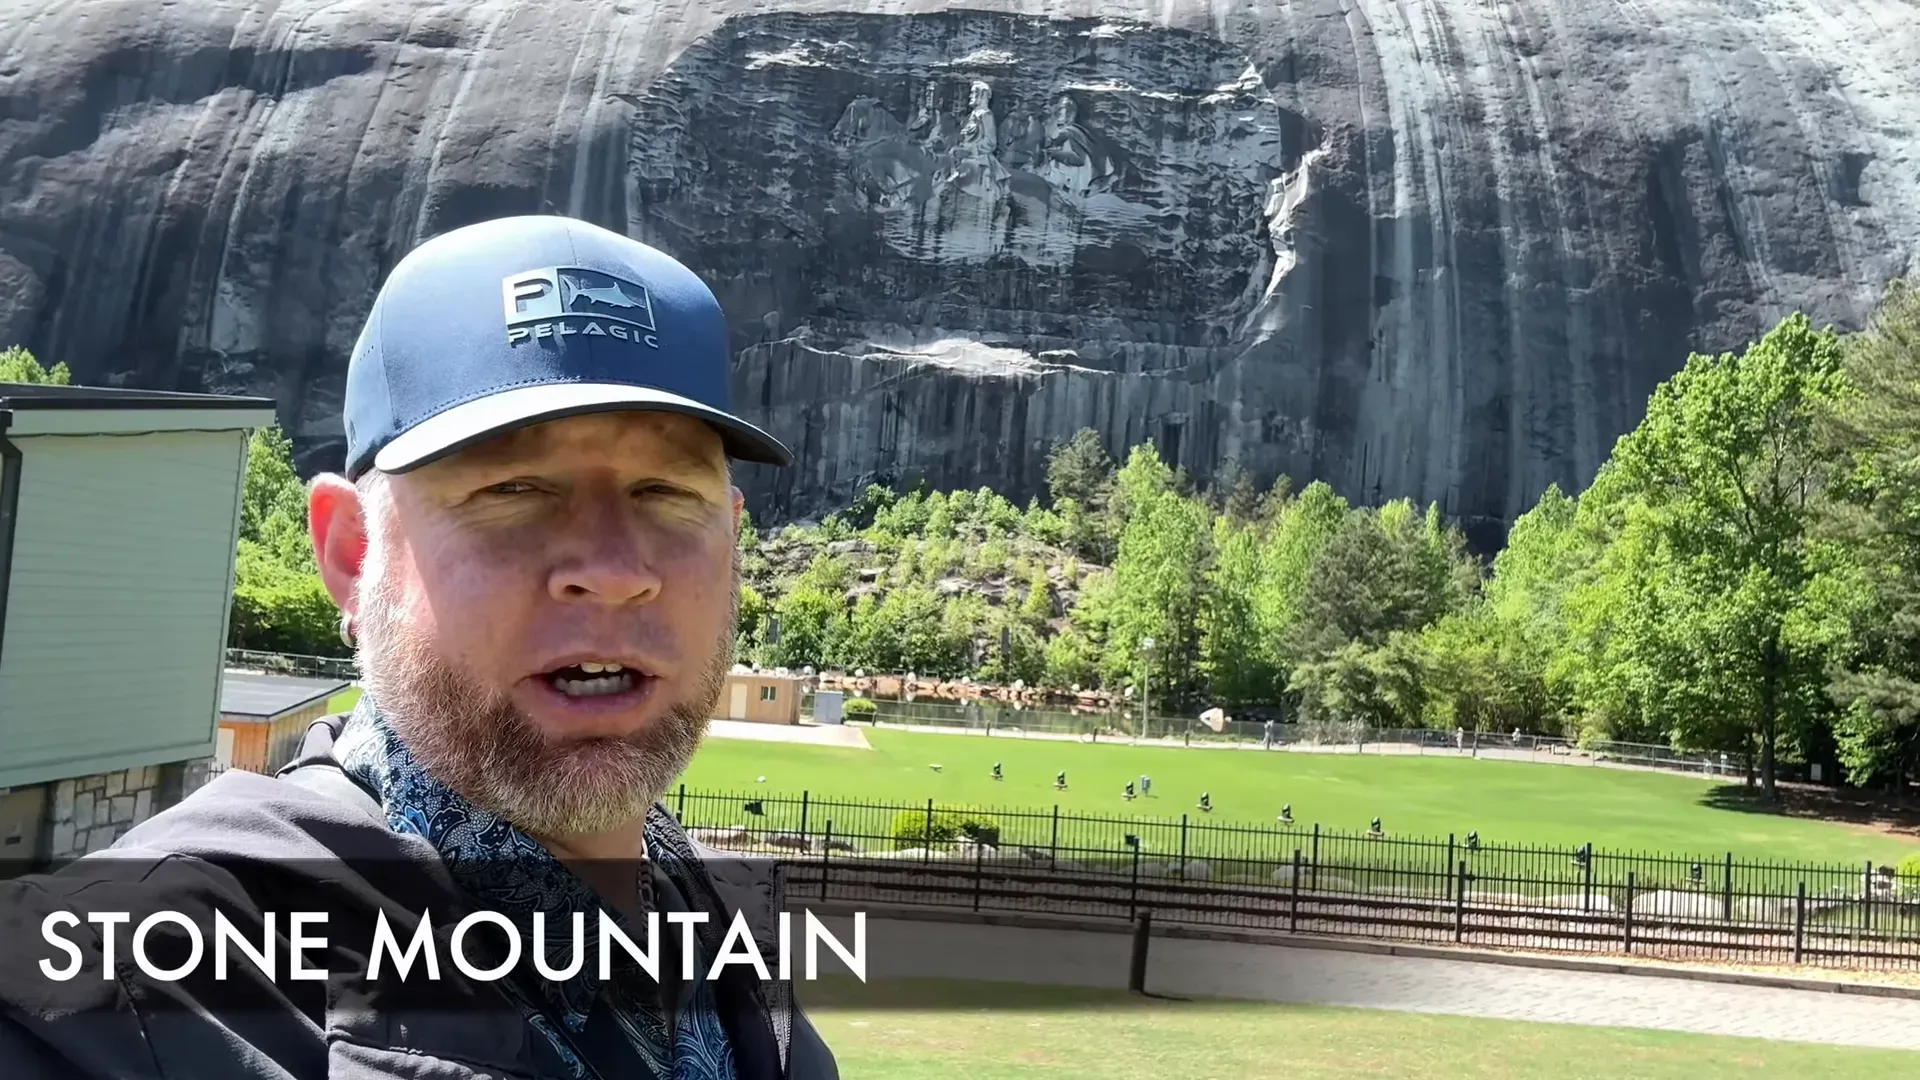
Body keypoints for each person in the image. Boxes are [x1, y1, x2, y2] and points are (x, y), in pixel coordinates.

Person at [0, 216, 839, 1080]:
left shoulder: (724, 942)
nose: (614, 569)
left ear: (732, 544)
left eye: (666, 491)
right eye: (513, 488)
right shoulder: (126, 993)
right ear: (351, 553)